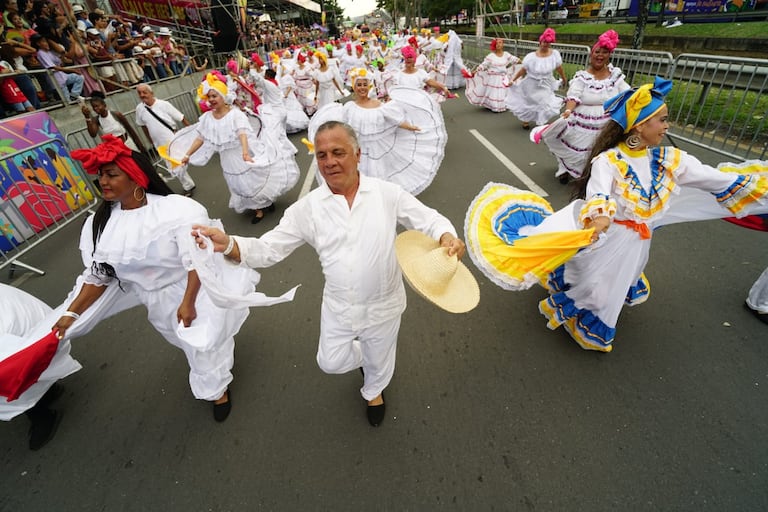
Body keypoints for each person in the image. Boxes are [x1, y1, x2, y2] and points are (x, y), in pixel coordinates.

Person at [192, 121, 467, 427]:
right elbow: (269, 249)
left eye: (338, 152)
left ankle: (373, 391)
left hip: (385, 304)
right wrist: (229, 244)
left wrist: (446, 236)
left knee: (380, 361)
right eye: (322, 155)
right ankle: (366, 358)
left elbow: (428, 219)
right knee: (331, 362)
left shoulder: (386, 193)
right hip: (339, 306)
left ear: (357, 154)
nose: (330, 162)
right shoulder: (307, 208)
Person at [465, 78, 768, 353]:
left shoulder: (668, 161)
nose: (667, 126)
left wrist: (755, 187)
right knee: (595, 287)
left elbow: (715, 179)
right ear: (639, 126)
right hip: (610, 237)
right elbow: (598, 194)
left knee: (620, 278)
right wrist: (600, 218)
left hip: (637, 242)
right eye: (662, 120)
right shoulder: (609, 161)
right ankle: (586, 313)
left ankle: (595, 296)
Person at [54, 135, 294, 421]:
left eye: (111, 175)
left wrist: (188, 302)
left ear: (135, 177)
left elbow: (196, 261)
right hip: (156, 302)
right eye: (100, 176)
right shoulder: (100, 224)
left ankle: (217, 391)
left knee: (202, 347)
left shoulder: (177, 210)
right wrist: (71, 313)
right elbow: (98, 276)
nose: (103, 182)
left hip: (195, 288)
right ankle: (216, 359)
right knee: (194, 344)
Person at [178, 73, 299, 223]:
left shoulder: (235, 114)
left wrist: (245, 152)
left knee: (252, 181)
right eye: (209, 97)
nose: (211, 99)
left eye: (215, 96)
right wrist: (187, 155)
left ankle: (263, 205)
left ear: (223, 96)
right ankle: (259, 207)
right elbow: (200, 138)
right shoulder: (207, 118)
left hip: (240, 154)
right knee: (238, 185)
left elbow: (243, 134)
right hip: (226, 159)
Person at [308, 67, 446, 196]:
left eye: (365, 84)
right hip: (360, 152)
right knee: (362, 180)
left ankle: (380, 201)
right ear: (354, 87)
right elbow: (340, 128)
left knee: (379, 180)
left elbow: (396, 120)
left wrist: (412, 128)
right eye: (359, 85)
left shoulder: (380, 106)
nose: (362, 88)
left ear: (369, 86)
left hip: (380, 151)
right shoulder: (349, 108)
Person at [531, 30, 630, 183]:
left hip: (606, 122)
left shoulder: (615, 76)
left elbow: (628, 94)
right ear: (591, 54)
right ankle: (565, 169)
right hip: (582, 121)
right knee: (574, 148)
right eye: (597, 52)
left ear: (610, 55)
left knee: (599, 151)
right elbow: (573, 96)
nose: (600, 55)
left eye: (604, 52)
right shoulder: (582, 77)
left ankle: (593, 177)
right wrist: (568, 110)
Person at [0, 283, 78, 450]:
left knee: (10, 372)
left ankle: (41, 415)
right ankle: (46, 393)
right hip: (17, 319)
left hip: (15, 323)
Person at [134, 83, 196, 196]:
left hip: (170, 139)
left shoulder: (163, 105)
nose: (142, 95)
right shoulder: (139, 109)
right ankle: (188, 184)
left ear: (151, 93)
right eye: (139, 93)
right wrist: (150, 140)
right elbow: (143, 126)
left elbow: (181, 117)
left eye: (144, 92)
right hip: (158, 143)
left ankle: (188, 186)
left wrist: (192, 131)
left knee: (175, 164)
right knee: (171, 165)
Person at [505, 28, 567, 129]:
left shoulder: (554, 55)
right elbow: (523, 70)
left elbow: (559, 68)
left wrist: (564, 78)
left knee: (544, 102)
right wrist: (513, 80)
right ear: (540, 42)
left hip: (546, 83)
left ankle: (541, 121)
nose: (545, 44)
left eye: (548, 42)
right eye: (544, 42)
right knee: (529, 102)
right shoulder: (531, 57)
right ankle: (525, 120)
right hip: (531, 83)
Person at [464, 37, 519, 113]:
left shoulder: (506, 54)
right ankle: (494, 105)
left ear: (503, 45)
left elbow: (515, 59)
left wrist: (525, 62)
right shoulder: (491, 56)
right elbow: (484, 65)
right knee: (494, 92)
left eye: (500, 43)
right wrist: (476, 70)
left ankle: (501, 105)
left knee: (502, 92)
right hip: (493, 78)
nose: (498, 44)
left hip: (503, 78)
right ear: (494, 45)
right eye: (497, 43)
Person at [82, 91, 146, 152]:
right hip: (115, 149)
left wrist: (140, 145)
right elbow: (93, 134)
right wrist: (87, 117)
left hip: (128, 144)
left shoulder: (116, 114)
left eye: (97, 106)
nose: (95, 109)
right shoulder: (96, 120)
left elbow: (130, 129)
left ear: (104, 105)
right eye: (93, 107)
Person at [30, 33, 84, 102]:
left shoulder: (50, 52)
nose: (46, 43)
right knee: (67, 101)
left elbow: (62, 62)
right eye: (44, 42)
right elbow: (53, 67)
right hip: (56, 79)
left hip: (63, 75)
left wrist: (62, 54)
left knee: (79, 77)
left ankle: (74, 95)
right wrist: (72, 70)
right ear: (38, 44)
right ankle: (71, 99)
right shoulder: (41, 53)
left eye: (46, 41)